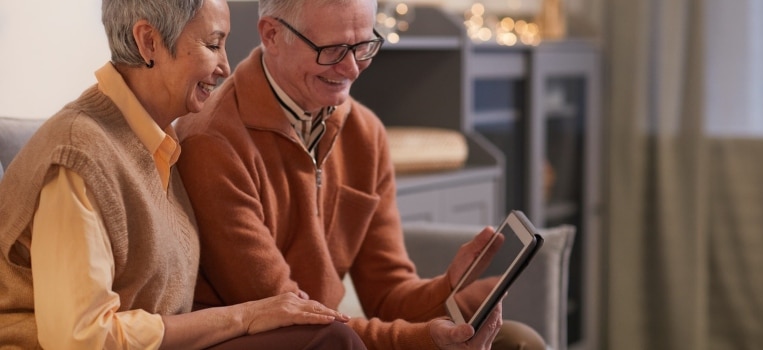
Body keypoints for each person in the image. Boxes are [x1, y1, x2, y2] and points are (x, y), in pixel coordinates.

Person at [175, 0, 547, 349]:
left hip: (333, 333)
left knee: (517, 339)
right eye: (333, 50)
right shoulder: (213, 143)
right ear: (271, 35)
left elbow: (387, 294)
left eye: (364, 46)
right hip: (275, 338)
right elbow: (292, 317)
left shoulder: (365, 133)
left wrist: (450, 287)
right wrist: (425, 338)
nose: (352, 69)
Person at [0, 0, 366, 349]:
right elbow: (81, 339)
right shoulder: (78, 155)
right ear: (149, 41)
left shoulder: (157, 143)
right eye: (213, 44)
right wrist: (244, 317)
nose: (225, 67)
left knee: (327, 336)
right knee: (330, 341)